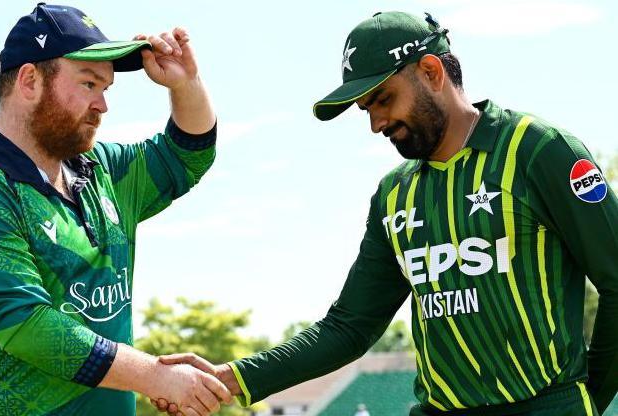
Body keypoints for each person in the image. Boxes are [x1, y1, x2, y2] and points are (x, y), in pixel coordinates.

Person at [153, 11, 617, 416]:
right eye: (365, 109)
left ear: (431, 71)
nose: (375, 123)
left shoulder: (541, 152)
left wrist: (586, 401)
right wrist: (228, 377)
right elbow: (350, 328)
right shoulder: (394, 195)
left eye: (383, 99)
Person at [0, 3, 231, 415]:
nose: (103, 105)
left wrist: (186, 83)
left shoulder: (104, 169)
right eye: (89, 84)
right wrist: (157, 376)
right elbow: (30, 326)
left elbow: (187, 156)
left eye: (106, 89)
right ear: (30, 81)